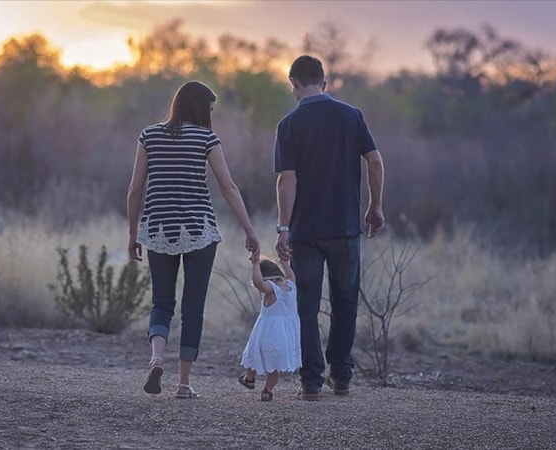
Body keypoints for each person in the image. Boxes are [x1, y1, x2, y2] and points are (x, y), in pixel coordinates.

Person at [127, 80, 260, 399]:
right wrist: (249, 230)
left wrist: (133, 234)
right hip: (199, 230)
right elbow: (228, 187)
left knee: (161, 303)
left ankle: (157, 358)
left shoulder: (149, 135)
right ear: (201, 108)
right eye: (210, 109)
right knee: (193, 307)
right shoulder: (206, 138)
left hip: (158, 229)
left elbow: (135, 189)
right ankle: (183, 383)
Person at [273, 55, 385, 401]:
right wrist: (375, 206)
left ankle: (311, 382)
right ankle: (341, 376)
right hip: (345, 227)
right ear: (324, 83)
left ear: (293, 84)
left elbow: (287, 181)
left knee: (306, 307)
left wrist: (283, 227)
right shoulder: (351, 116)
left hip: (305, 232)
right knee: (345, 302)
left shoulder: (288, 124)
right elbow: (375, 160)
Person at [238, 255, 301, 402]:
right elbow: (291, 275)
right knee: (275, 366)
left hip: (267, 333)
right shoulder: (291, 286)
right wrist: (285, 263)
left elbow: (258, 283)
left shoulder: (271, 290)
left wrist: (255, 264)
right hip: (285, 336)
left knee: (254, 355)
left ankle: (250, 379)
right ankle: (267, 391)